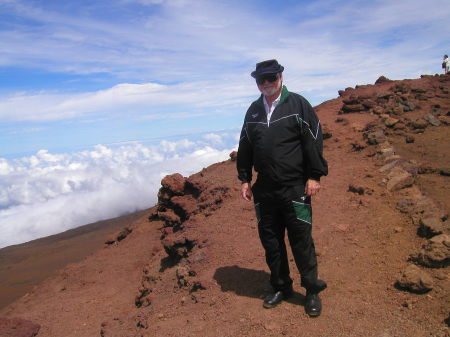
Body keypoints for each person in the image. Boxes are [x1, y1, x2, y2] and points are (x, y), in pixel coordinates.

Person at [237, 59, 328, 317]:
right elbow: (245, 146)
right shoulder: (253, 111)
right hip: (264, 188)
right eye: (260, 80)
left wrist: (314, 175)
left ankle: (311, 290)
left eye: (271, 78)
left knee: (301, 240)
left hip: (294, 186)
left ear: (280, 77)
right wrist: (245, 179)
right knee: (271, 241)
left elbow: (314, 140)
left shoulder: (298, 104)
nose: (266, 84)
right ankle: (281, 286)